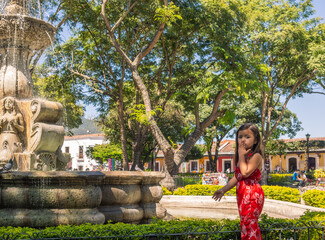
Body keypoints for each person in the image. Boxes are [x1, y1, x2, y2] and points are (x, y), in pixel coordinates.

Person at [212, 123, 264, 240]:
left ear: (255, 140)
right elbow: (238, 176)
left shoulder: (255, 156)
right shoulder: (244, 158)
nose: (243, 140)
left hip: (251, 194)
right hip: (243, 193)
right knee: (247, 224)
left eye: (247, 137)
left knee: (249, 224)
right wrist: (223, 190)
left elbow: (245, 173)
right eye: (240, 137)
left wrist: (241, 155)